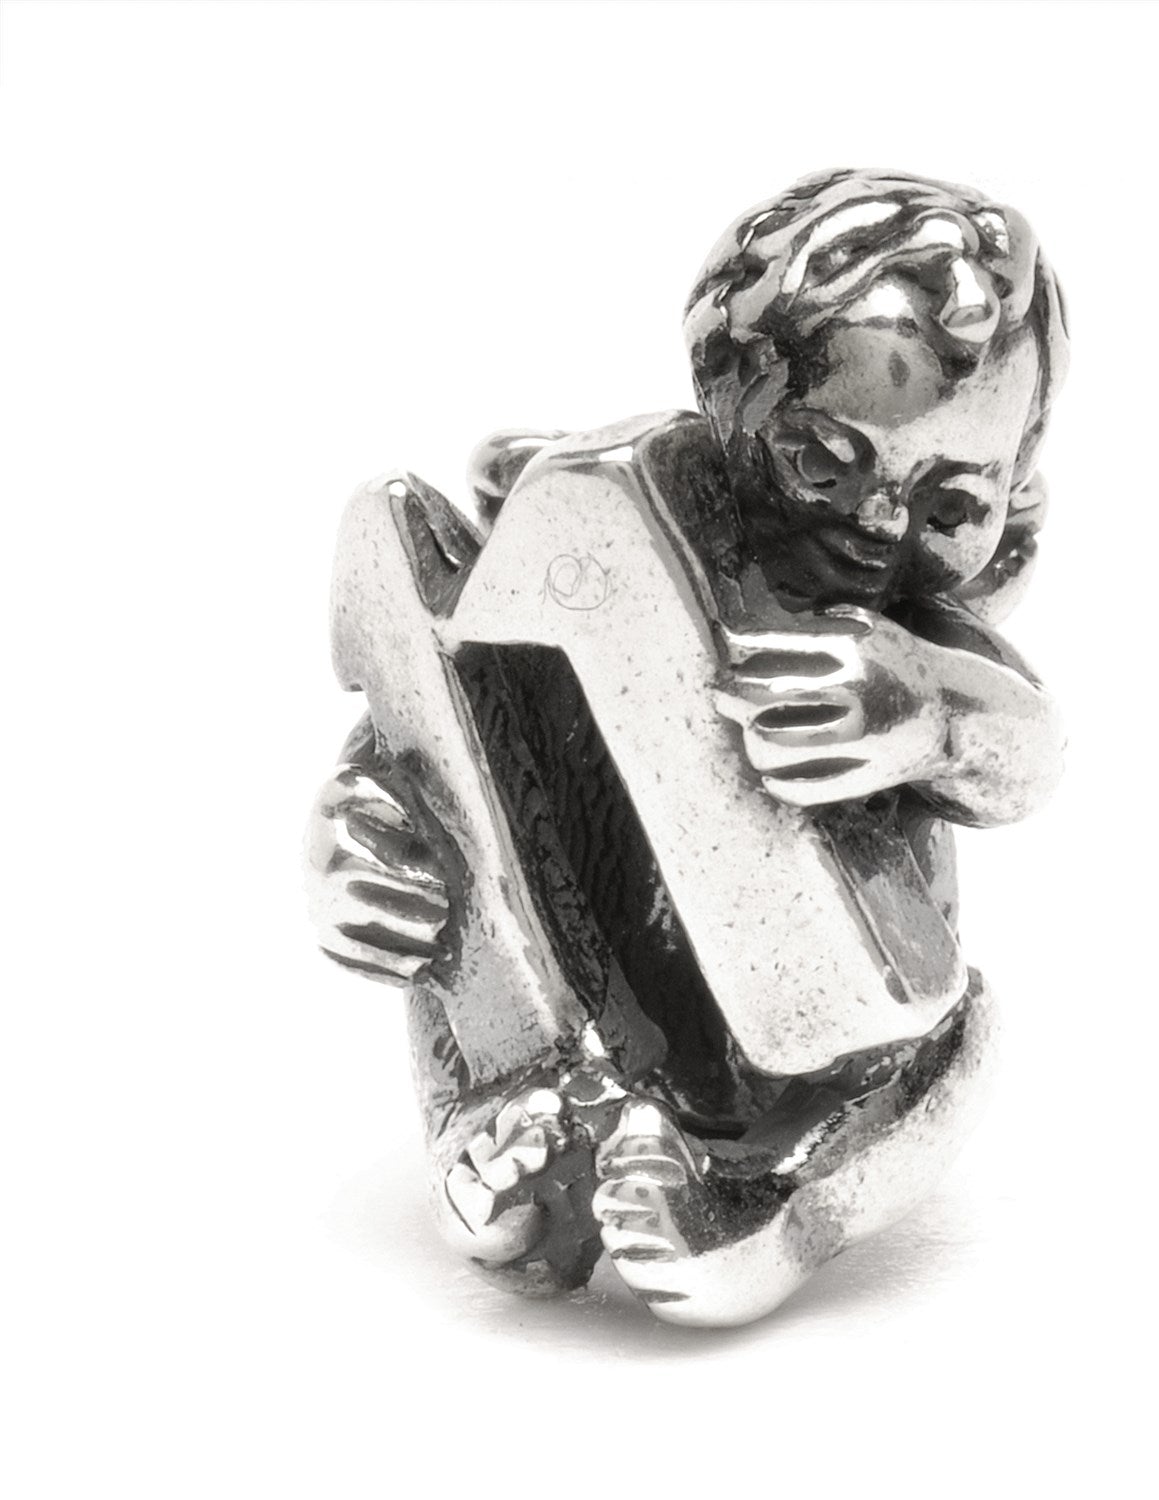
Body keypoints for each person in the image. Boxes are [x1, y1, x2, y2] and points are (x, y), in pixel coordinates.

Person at [306, 168, 1069, 1325]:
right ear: (731, 418)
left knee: (959, 1047)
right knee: (458, 909)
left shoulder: (907, 634)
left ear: (1015, 499)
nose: (880, 526)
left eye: (951, 505)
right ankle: (510, 1142)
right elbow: (427, 721)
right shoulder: (617, 534)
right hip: (586, 955)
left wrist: (923, 706)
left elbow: (1031, 751)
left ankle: (764, 1216)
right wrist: (353, 846)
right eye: (824, 465)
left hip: (834, 1025)